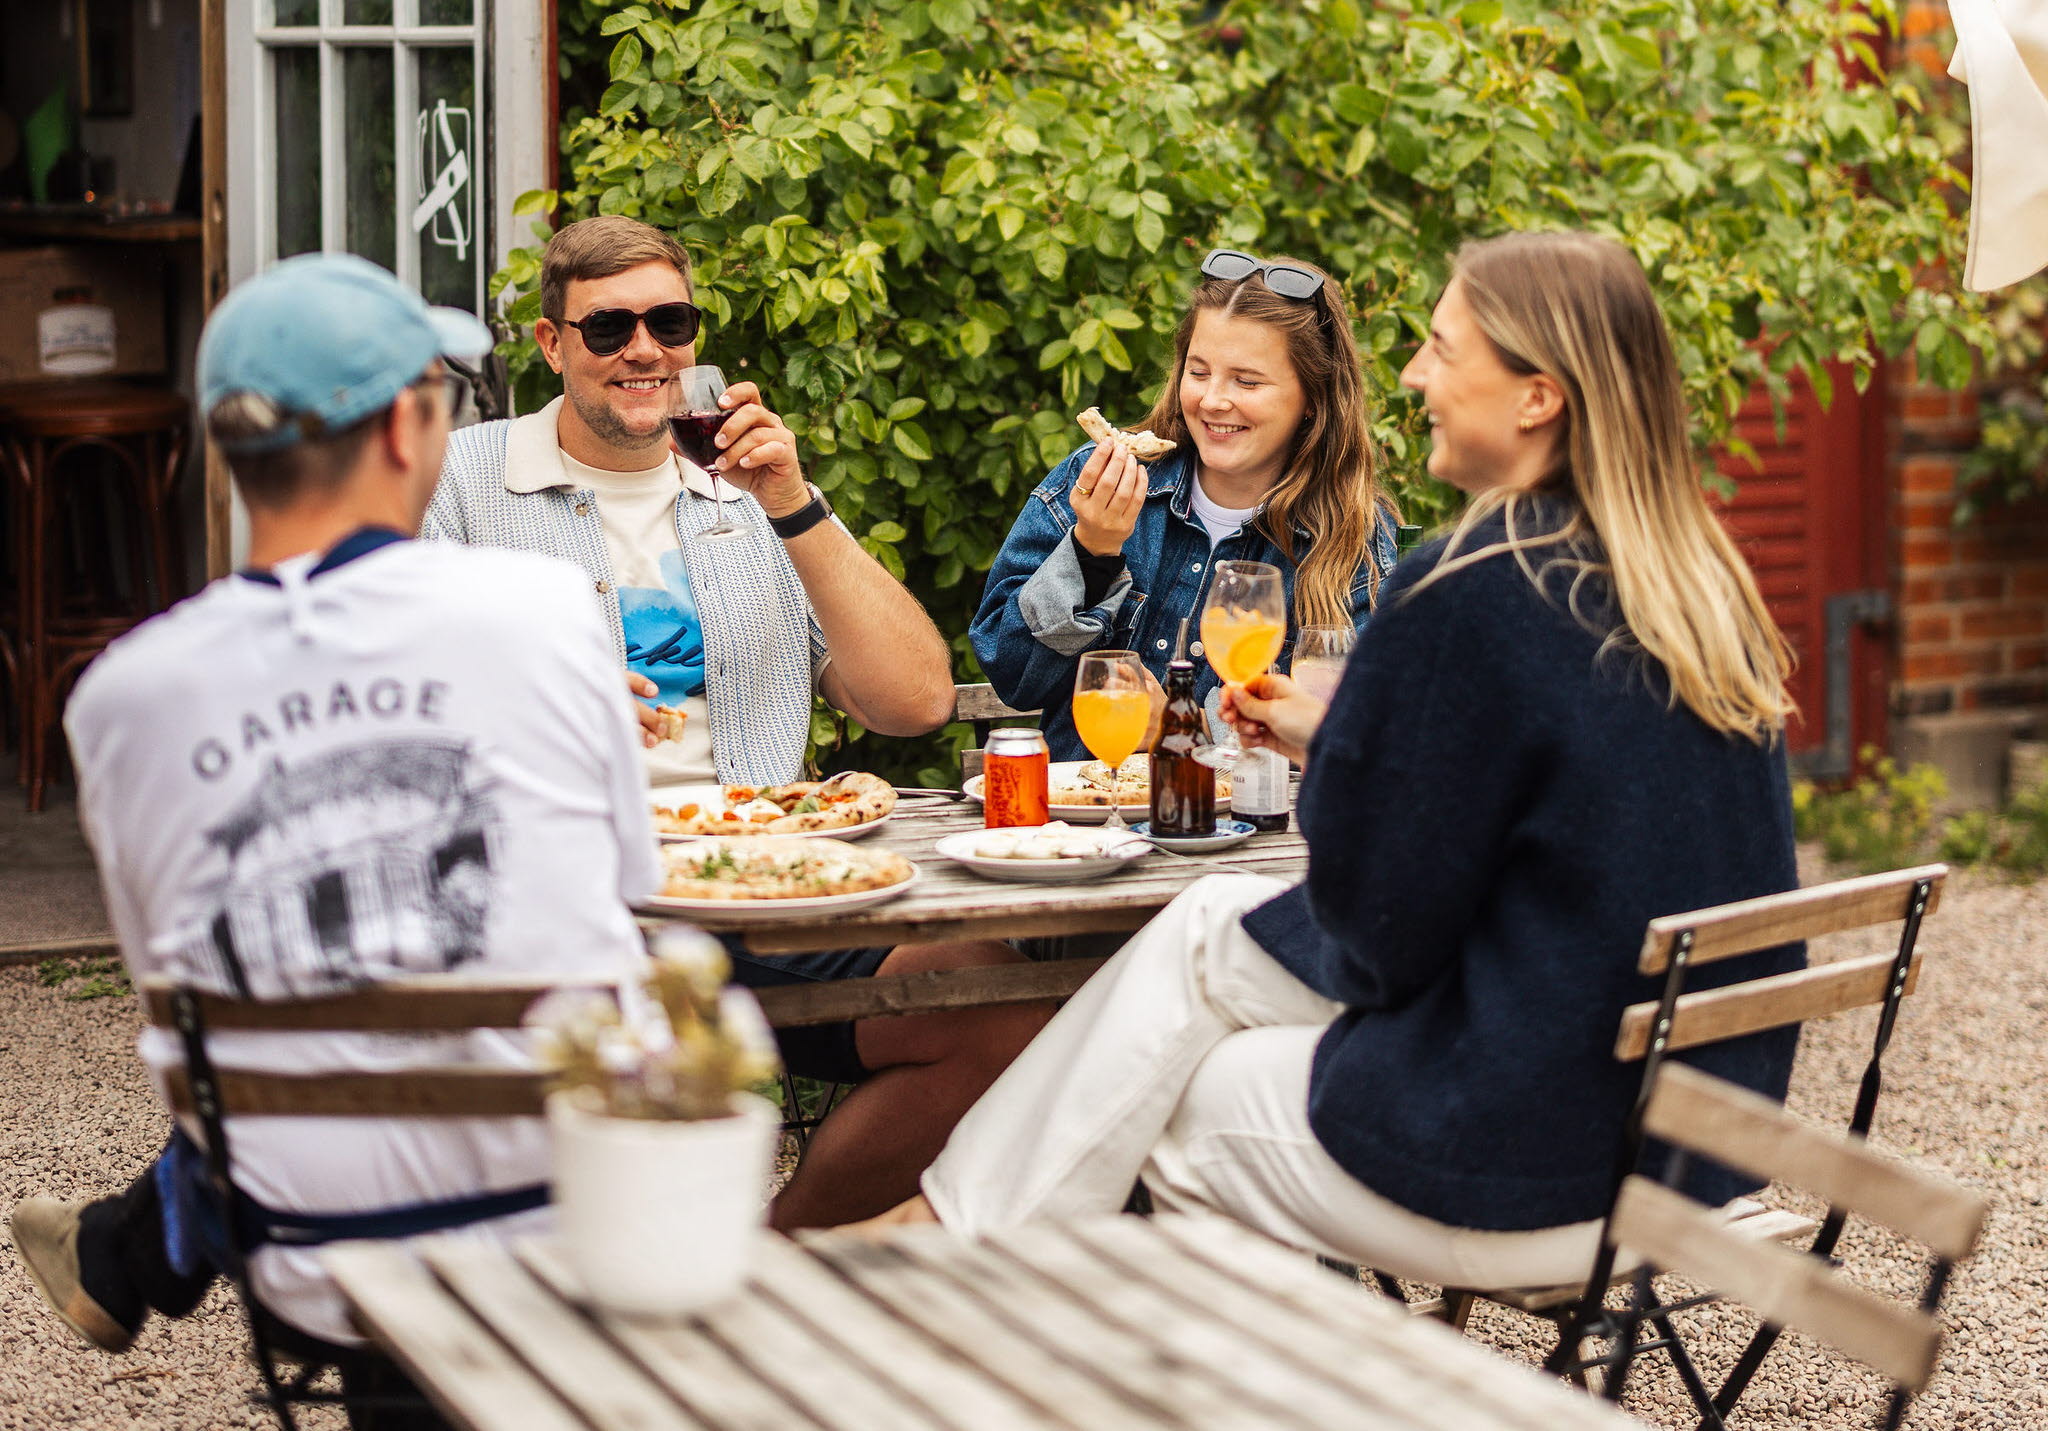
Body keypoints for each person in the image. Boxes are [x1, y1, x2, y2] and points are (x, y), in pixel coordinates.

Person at [863, 231, 1808, 1295]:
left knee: (1174, 1092)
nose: (1410, 378)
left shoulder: (1473, 584)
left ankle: (939, 1269)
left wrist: (1358, 772)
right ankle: (940, 1231)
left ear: (1536, 397)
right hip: (1691, 1147)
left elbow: (1381, 942)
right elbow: (1545, 819)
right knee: (1201, 944)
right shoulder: (1693, 587)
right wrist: (1348, 744)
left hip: (1528, 1160)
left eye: (1443, 353)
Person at [12, 254, 651, 1418]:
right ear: (409, 429)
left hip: (305, 1255)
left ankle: (139, 1246)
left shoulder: (118, 696)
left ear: (226, 448)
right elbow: (635, 897)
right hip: (572, 1226)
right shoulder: (543, 611)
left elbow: (187, 972)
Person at [419, 215, 1048, 1230]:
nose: (643, 350)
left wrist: (795, 506)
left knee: (1006, 1015)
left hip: (756, 889)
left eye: (668, 322)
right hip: (559, 899)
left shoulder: (748, 490)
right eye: (607, 328)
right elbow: (403, 690)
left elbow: (915, 701)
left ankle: (767, 1266)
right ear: (549, 345)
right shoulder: (461, 480)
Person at [971, 249, 1399, 759]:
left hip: (1253, 834)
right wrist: (1092, 551)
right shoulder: (1095, 480)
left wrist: (1179, 732)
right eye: (1199, 372)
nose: (1213, 400)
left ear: (1313, 398)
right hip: (1083, 821)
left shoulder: (1354, 541)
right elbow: (1011, 671)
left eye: (1247, 380)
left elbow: (1357, 744)